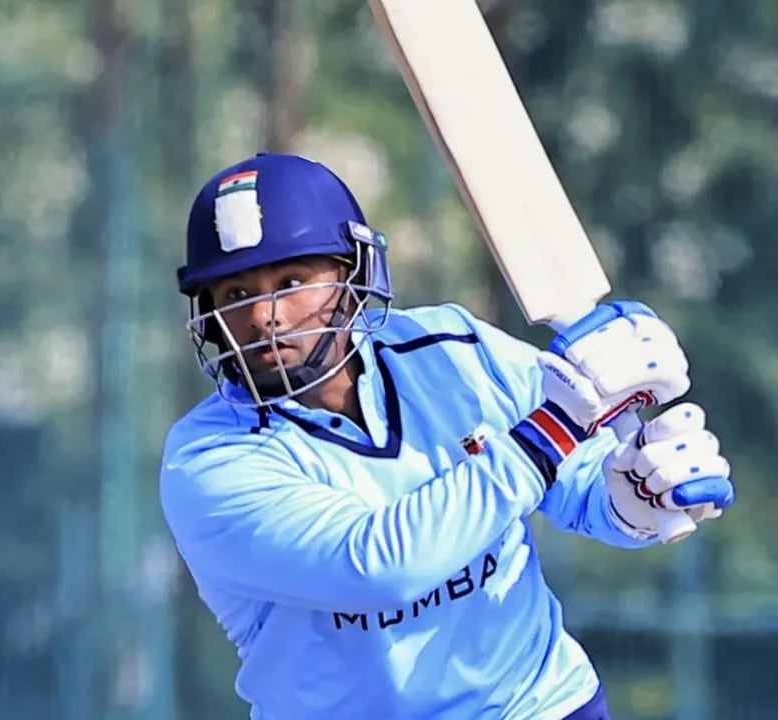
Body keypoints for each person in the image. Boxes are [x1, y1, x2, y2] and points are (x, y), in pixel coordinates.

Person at [159, 152, 735, 720]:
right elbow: (376, 567)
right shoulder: (208, 461)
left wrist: (631, 498)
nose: (265, 317)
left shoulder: (453, 348)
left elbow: (577, 484)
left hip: (535, 705)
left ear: (353, 276)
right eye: (236, 295)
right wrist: (557, 427)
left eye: (291, 281)